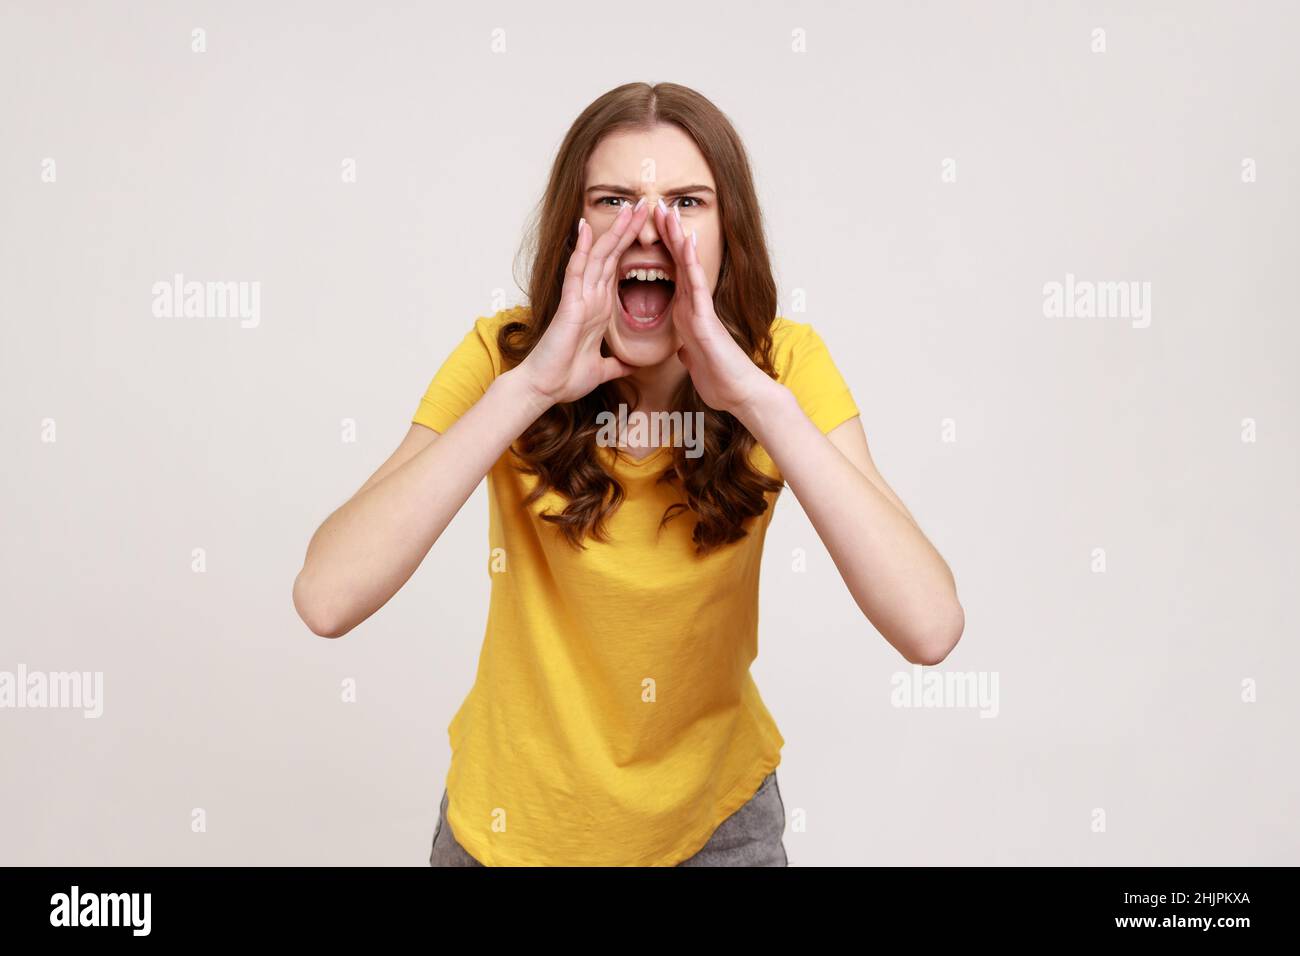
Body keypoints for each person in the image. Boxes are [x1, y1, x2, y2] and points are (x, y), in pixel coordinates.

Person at [292, 81, 964, 867]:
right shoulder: (503, 361)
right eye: (615, 199)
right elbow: (326, 597)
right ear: (572, 229)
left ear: (728, 232)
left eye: (686, 203)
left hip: (713, 827)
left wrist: (753, 396)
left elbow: (930, 625)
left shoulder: (784, 368)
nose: (650, 229)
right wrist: (531, 388)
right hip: (512, 828)